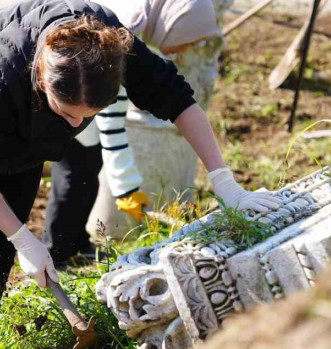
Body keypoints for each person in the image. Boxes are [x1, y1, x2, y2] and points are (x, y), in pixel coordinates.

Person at [0, 0, 280, 349]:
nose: (77, 124)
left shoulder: (111, 45)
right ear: (42, 76)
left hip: (25, 133)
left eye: (89, 115)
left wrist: (224, 181)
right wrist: (23, 237)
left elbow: (179, 100)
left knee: (0, 252)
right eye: (68, 112)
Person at [42, 0, 224, 265]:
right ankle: (55, 251)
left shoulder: (135, 27)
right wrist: (125, 187)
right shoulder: (113, 38)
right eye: (181, 43)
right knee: (74, 176)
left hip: (81, 104)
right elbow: (110, 119)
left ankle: (76, 242)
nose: (181, 52)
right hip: (67, 100)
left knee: (87, 170)